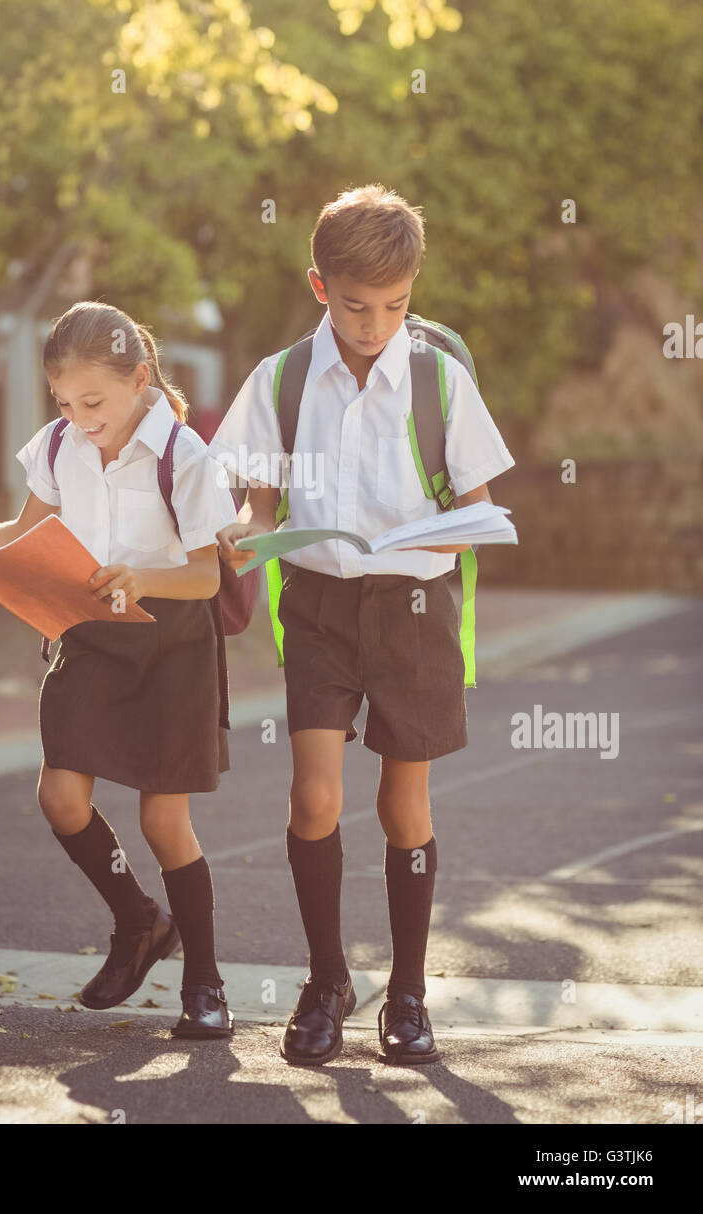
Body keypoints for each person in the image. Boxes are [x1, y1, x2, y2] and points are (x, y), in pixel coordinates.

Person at [211, 184, 515, 1066]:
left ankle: (410, 995)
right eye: (355, 305)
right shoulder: (281, 380)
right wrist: (243, 533)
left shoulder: (438, 378)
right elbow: (256, 510)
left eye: (397, 305)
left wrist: (446, 528)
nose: (375, 323)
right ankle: (326, 982)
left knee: (401, 804)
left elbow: (480, 505)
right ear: (319, 287)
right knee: (314, 798)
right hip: (318, 606)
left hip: (417, 609)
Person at [0, 300, 237, 1039]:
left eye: (93, 402)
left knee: (165, 822)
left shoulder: (183, 455)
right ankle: (138, 920)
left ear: (139, 379)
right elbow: (29, 531)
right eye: (65, 402)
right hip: (91, 636)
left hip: (172, 642)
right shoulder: (61, 445)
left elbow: (206, 578)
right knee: (60, 796)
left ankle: (206, 983)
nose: (80, 417)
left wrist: (140, 575)